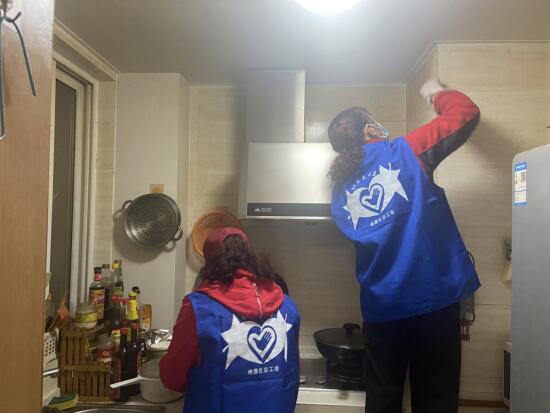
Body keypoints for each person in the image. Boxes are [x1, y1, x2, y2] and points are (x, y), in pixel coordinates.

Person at [328, 79, 481, 413]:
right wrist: (434, 92)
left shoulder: (339, 194)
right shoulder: (405, 151)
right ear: (371, 129)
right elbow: (465, 113)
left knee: (381, 402)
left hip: (381, 312)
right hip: (433, 302)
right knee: (436, 401)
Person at [160, 227, 300, 413]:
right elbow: (293, 367)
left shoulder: (198, 308)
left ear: (210, 263)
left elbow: (172, 377)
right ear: (249, 257)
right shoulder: (287, 306)